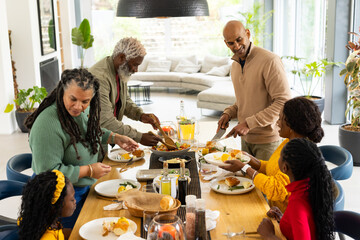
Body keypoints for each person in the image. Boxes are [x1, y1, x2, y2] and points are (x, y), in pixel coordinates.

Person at [25, 68, 138, 230]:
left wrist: (115, 137)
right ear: (62, 91)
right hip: (60, 201)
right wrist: (89, 170)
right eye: (73, 99)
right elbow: (48, 174)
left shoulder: (77, 112)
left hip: (84, 188)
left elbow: (88, 131)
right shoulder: (47, 125)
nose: (78, 106)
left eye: (85, 101)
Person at [220, 97, 324, 212]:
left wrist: (244, 167)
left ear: (291, 126)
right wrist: (249, 159)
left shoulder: (298, 155)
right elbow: (272, 168)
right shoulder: (288, 142)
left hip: (285, 218)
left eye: (280, 119)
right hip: (275, 212)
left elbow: (275, 189)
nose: (277, 123)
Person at [217, 20, 291, 160]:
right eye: (231, 43)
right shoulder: (235, 66)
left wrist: (248, 123)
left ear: (248, 34)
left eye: (239, 40)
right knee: (246, 181)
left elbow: (284, 101)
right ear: (226, 43)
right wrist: (229, 113)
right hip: (245, 139)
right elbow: (244, 100)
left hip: (268, 141)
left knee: (266, 181)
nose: (237, 46)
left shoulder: (270, 61)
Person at [89, 37, 161, 147]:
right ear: (122, 57)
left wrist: (140, 115)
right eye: (135, 64)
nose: (136, 70)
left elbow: (124, 101)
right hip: (90, 139)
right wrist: (139, 137)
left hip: (103, 135)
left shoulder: (120, 70)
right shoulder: (100, 78)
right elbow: (105, 121)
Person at [257, 138, 335, 240]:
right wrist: (285, 218)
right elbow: (307, 221)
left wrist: (269, 235)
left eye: (280, 156)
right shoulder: (311, 187)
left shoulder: (297, 203)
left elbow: (299, 212)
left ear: (284, 167)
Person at [18, 170, 76, 240]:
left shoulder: (43, 219)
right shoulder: (48, 237)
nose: (75, 201)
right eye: (72, 199)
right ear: (54, 206)